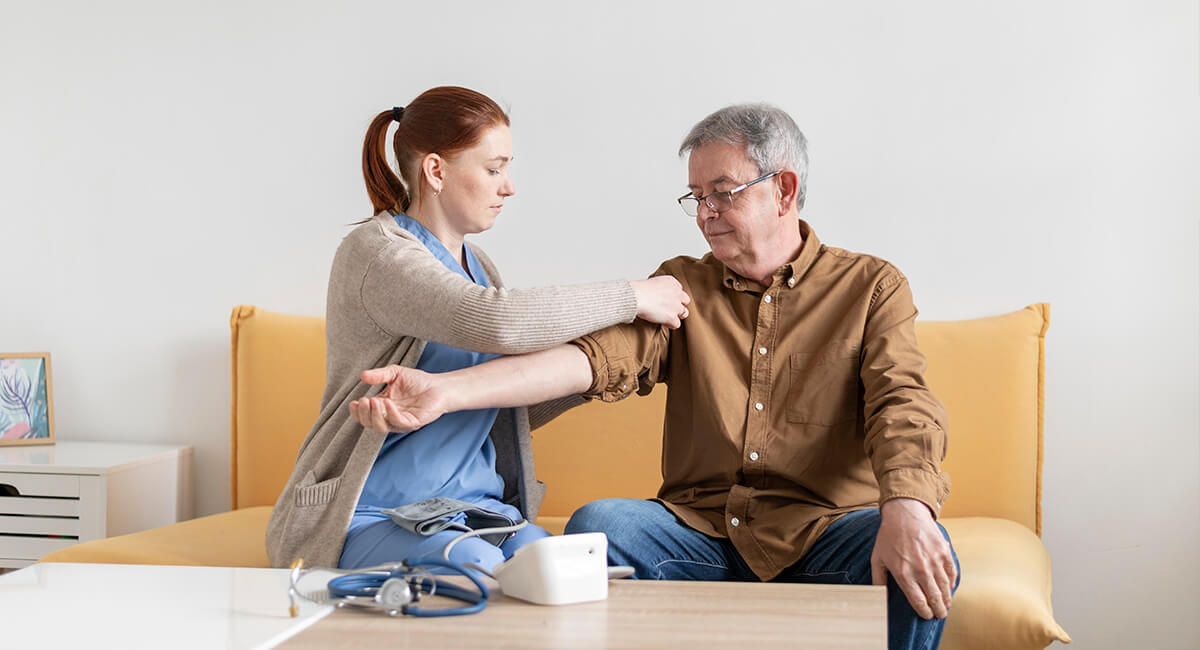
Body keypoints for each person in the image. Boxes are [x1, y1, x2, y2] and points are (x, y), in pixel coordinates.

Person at [350, 103, 959, 649]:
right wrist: (448, 392)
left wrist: (908, 504)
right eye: (695, 196)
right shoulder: (682, 284)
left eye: (722, 192)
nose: (705, 213)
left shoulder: (871, 286)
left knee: (920, 542)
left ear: (784, 189)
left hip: (825, 531)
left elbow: (901, 401)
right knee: (602, 527)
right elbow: (594, 360)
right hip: (705, 535)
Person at [264, 86, 691, 573]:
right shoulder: (377, 252)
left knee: (564, 571)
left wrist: (594, 372)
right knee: (476, 568)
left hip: (477, 512)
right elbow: (499, 322)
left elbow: (495, 408)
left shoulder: (478, 264)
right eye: (494, 168)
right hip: (371, 513)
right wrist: (633, 295)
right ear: (436, 170)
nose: (508, 186)